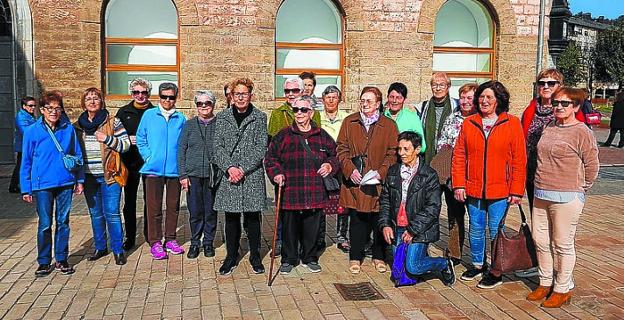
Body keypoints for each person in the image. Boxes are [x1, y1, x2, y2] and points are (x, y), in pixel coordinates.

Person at [526, 87, 599, 308]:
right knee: (540, 241)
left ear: (576, 107)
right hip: (541, 193)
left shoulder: (581, 131)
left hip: (567, 196)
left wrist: (579, 188)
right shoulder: (549, 126)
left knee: (562, 244)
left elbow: (592, 165)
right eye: (556, 103)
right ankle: (545, 282)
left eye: (565, 104)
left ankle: (562, 287)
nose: (559, 107)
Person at [451, 81, 526, 289]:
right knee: (475, 228)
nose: (484, 101)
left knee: (495, 229)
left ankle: (496, 269)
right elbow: (459, 156)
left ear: (498, 101)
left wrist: (516, 190)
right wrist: (459, 185)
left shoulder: (512, 123)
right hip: (473, 188)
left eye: (489, 98)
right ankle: (477, 264)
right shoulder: (469, 123)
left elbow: (519, 160)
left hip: (500, 190)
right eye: (481, 97)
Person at [264, 95, 339, 274]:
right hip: (291, 190)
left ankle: (310, 257)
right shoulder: (283, 135)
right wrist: (277, 173)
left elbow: (336, 155)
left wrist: (330, 165)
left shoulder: (322, 135)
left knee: (312, 228)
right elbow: (270, 158)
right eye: (296, 110)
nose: (299, 113)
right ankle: (289, 259)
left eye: (303, 110)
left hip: (314, 190)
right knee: (289, 228)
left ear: (311, 113)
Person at [379, 131, 455, 286]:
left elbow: (433, 207)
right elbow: (385, 200)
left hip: (420, 228)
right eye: (399, 149)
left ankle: (443, 264)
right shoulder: (393, 171)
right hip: (397, 224)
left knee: (413, 267)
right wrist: (385, 224)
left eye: (406, 149)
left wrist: (413, 230)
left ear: (417, 149)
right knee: (399, 269)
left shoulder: (429, 175)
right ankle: (418, 254)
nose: (401, 153)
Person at [21, 91, 84, 276]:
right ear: (42, 110)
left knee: (63, 222)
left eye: (57, 108)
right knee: (45, 224)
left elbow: (78, 155)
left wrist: (79, 180)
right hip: (42, 185)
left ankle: (62, 259)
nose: (54, 112)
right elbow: (26, 160)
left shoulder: (68, 128)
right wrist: (26, 187)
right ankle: (43, 261)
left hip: (65, 182)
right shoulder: (32, 131)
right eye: (49, 108)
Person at [337, 86, 399, 274]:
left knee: (378, 218)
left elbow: (392, 153)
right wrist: (350, 169)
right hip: (356, 181)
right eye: (362, 100)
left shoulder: (388, 125)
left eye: (369, 101)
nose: (365, 104)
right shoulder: (350, 121)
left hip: (378, 182)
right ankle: (355, 256)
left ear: (378, 104)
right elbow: (341, 148)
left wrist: (381, 172)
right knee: (357, 219)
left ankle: (379, 256)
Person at [213, 78, 268, 275]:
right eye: (237, 94)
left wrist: (242, 168)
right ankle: (231, 256)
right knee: (231, 218)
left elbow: (260, 147)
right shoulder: (222, 117)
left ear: (250, 95)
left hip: (251, 175)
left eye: (244, 93)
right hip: (230, 176)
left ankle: (255, 255)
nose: (241, 97)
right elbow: (217, 147)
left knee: (253, 219)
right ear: (231, 96)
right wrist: (229, 168)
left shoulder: (260, 117)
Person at [74, 87, 130, 265]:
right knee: (95, 214)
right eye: (88, 99)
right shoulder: (77, 126)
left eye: (96, 98)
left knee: (112, 213)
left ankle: (118, 249)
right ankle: (100, 247)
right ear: (83, 103)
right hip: (89, 177)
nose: (92, 101)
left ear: (101, 102)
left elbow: (126, 145)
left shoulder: (113, 122)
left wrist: (107, 139)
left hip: (110, 176)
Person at [517, 69, 564, 279]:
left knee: (558, 227)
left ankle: (561, 272)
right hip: (532, 175)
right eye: (541, 83)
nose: (545, 87)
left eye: (551, 83)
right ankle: (541, 265)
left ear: (559, 85)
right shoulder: (531, 109)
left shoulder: (566, 109)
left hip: (557, 177)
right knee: (540, 225)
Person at [136, 82, 186, 260]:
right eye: (164, 96)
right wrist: (148, 156)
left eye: (171, 97)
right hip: (153, 169)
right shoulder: (149, 115)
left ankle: (171, 239)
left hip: (174, 170)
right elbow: (141, 138)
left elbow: (184, 144)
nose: (167, 100)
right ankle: (155, 241)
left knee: (173, 207)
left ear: (175, 98)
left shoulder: (180, 118)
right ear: (159, 97)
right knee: (154, 208)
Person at [436, 83, 478, 263]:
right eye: (462, 97)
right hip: (453, 175)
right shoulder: (452, 118)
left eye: (469, 98)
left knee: (477, 219)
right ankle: (455, 253)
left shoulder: (481, 119)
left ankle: (479, 256)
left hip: (475, 175)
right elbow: (441, 144)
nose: (465, 101)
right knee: (455, 215)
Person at [177, 90, 219, 259]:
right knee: (195, 211)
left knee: (210, 211)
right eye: (200, 103)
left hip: (212, 175)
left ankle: (208, 242)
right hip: (193, 174)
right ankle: (195, 242)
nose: (203, 106)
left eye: (207, 103)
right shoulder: (189, 125)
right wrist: (182, 175)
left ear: (213, 105)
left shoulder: (220, 124)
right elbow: (181, 150)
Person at [116, 78, 155, 251]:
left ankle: (150, 235)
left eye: (144, 92)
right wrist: (126, 139)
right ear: (131, 93)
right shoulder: (123, 112)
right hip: (130, 162)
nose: (140, 95)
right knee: (130, 202)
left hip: (149, 162)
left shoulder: (155, 112)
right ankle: (130, 237)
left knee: (151, 201)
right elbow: (115, 135)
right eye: (136, 92)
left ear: (148, 93)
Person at [319, 85, 350, 253]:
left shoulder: (346, 118)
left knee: (342, 200)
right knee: (322, 199)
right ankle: (320, 236)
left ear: (339, 99)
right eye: (328, 97)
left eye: (334, 97)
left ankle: (342, 236)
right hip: (323, 164)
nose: (331, 100)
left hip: (342, 163)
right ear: (323, 99)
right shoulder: (317, 117)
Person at [418, 72, 459, 164]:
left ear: (448, 87)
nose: (438, 88)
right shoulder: (422, 107)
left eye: (442, 85)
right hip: (426, 158)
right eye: (434, 85)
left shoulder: (457, 106)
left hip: (449, 158)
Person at [384, 82, 426, 151]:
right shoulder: (382, 116)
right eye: (391, 97)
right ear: (387, 97)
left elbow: (422, 146)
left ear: (404, 99)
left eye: (399, 98)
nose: (394, 101)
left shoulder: (412, 118)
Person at [9, 96, 38, 193]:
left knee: (22, 165)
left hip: (28, 145)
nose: (33, 108)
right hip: (23, 146)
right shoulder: (21, 116)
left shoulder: (30, 115)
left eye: (34, 105)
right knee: (21, 166)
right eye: (30, 105)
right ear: (24, 106)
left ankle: (15, 185)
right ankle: (14, 186)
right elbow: (25, 131)